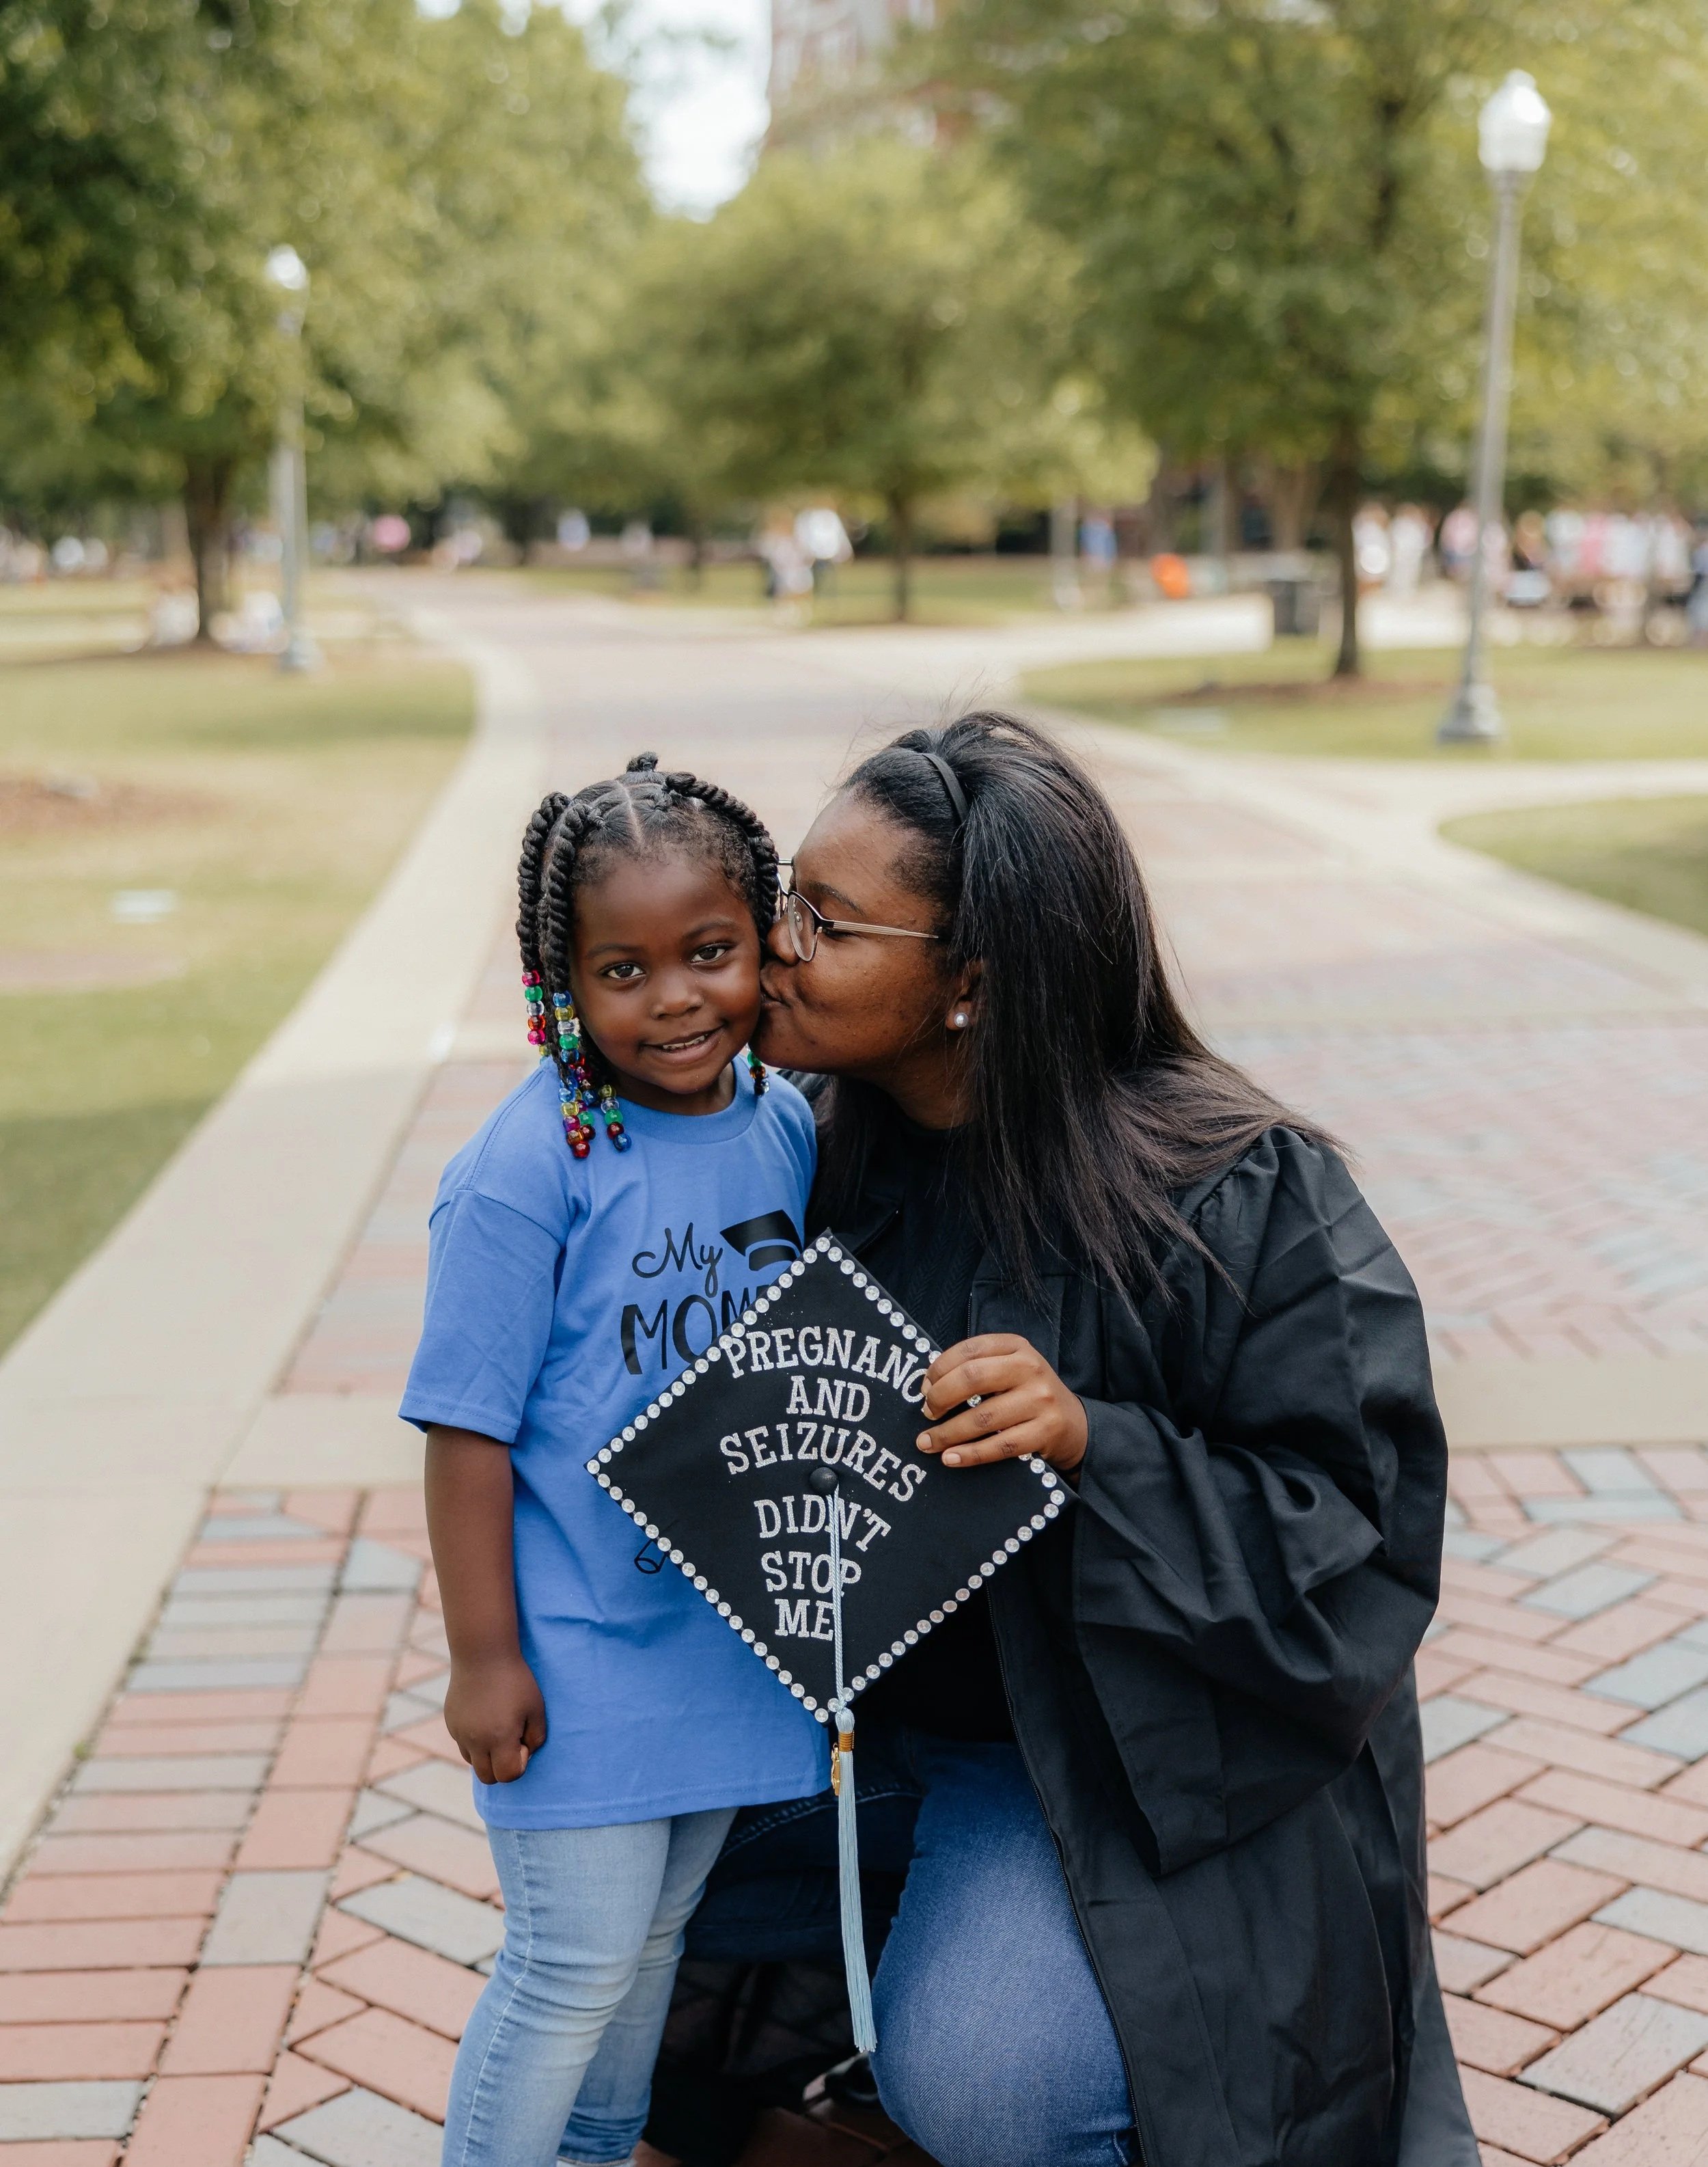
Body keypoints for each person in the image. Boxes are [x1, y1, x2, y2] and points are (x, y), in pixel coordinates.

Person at [624, 714, 1472, 2167]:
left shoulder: (1237, 1196)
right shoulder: (796, 1147)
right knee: (594, 1920)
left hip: (1102, 1761)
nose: (770, 951)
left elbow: (1355, 1535)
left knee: (998, 2082)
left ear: (970, 982)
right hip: (852, 1733)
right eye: (784, 904)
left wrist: (1096, 1446)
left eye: (823, 923)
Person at [402, 757, 828, 2167]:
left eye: (707, 952)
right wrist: (483, 1656)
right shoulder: (529, 1166)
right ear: (559, 981)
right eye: (622, 968)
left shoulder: (779, 1124)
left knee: (649, 1944)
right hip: (576, 1647)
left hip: (720, 1645)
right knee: (570, 1960)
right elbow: (466, 1429)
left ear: (757, 937)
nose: (674, 998)